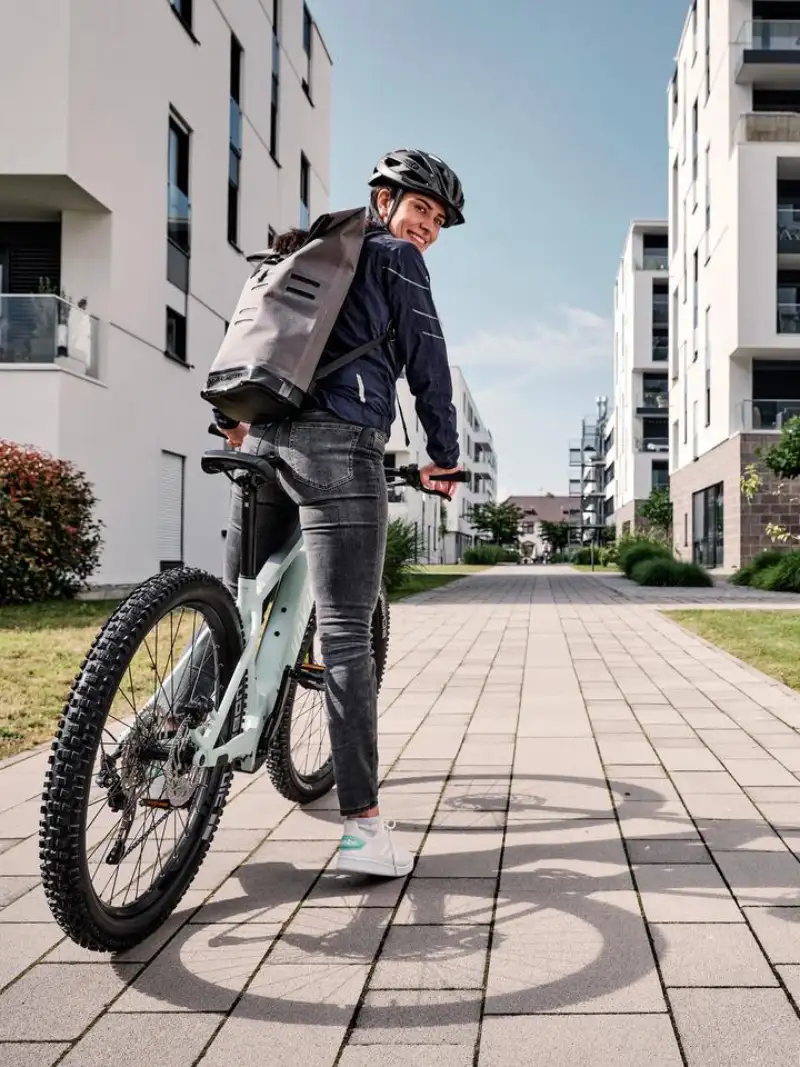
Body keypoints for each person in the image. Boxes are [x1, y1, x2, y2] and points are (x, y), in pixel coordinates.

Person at [216, 149, 465, 878]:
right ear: (383, 199)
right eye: (421, 208)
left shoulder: (312, 252)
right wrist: (444, 456)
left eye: (440, 219)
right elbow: (428, 361)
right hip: (339, 446)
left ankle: (167, 743)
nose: (430, 227)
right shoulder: (395, 260)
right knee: (348, 634)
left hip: (262, 434)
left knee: (241, 607)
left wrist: (233, 419)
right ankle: (362, 827)